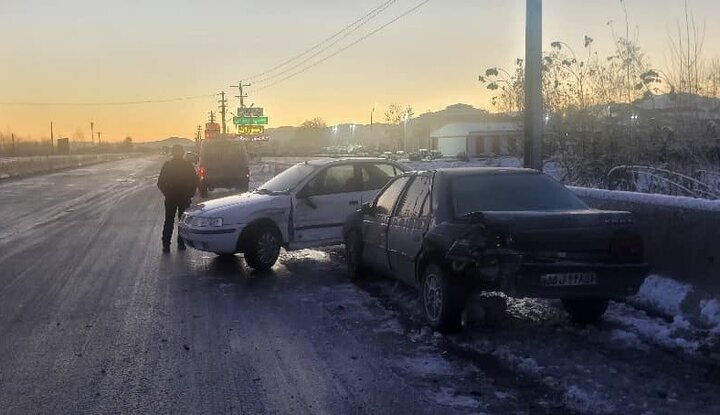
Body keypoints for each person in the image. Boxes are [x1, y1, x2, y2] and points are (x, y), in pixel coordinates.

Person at [157, 145, 198, 252]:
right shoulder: (184, 165)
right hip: (178, 197)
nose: (178, 154)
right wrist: (190, 193)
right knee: (176, 221)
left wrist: (189, 193)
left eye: (178, 152)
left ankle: (171, 244)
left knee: (173, 221)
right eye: (177, 152)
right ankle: (174, 244)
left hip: (178, 197)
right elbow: (160, 182)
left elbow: (195, 181)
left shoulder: (180, 165)